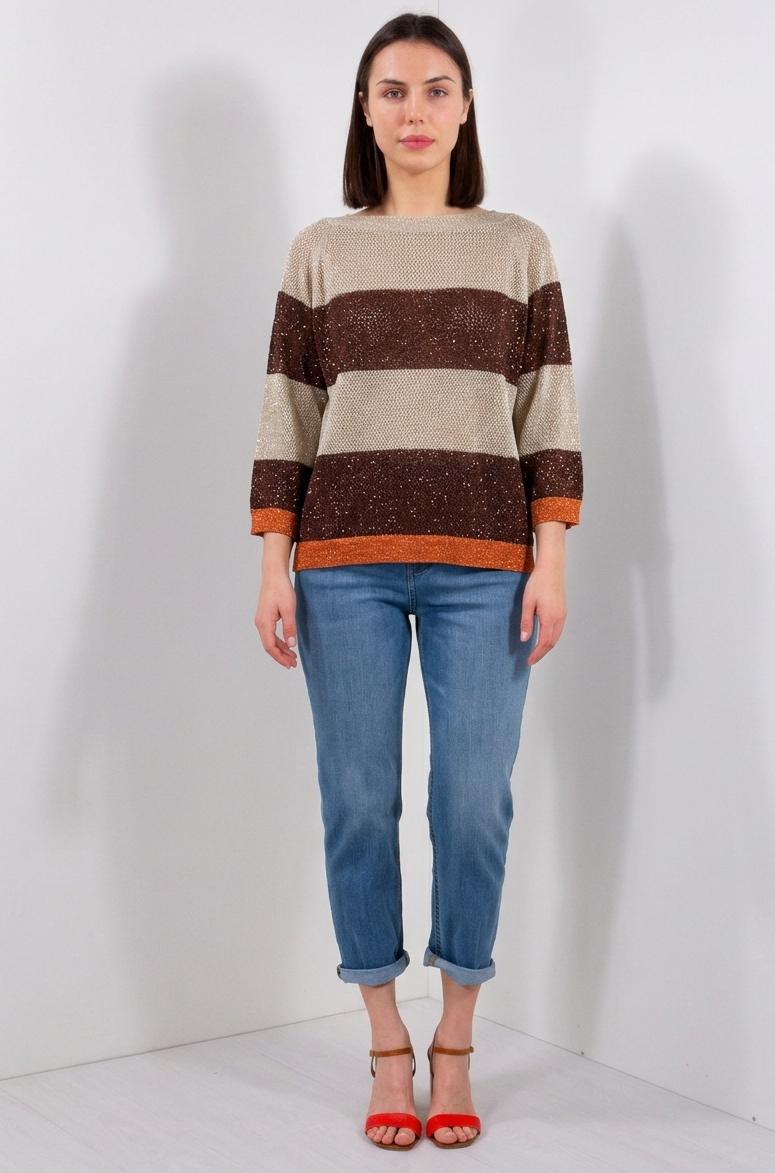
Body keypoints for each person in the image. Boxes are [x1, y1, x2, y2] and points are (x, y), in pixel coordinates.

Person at [251, 12, 582, 1151]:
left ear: (466, 106)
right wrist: (273, 563)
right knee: (356, 801)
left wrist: (551, 559)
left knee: (472, 802)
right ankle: (387, 1039)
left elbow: (548, 411)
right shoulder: (320, 250)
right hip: (339, 564)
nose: (415, 111)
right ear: (364, 110)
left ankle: (458, 1040)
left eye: (437, 89)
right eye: (391, 91)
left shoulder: (518, 246)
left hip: (486, 567)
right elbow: (287, 413)